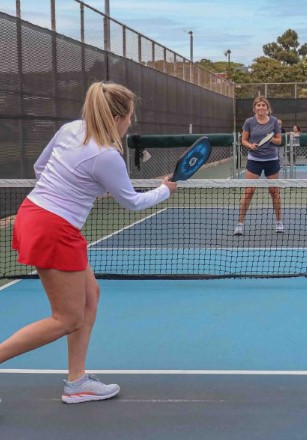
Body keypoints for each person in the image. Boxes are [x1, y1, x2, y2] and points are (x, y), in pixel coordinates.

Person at [2, 82, 177, 405]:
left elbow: (41, 168)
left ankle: (77, 382)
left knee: (89, 297)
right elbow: (132, 203)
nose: (129, 125)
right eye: (130, 118)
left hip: (36, 213)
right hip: (54, 228)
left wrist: (78, 187)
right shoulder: (106, 156)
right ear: (116, 117)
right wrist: (167, 189)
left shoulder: (72, 129)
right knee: (66, 318)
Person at [235, 96, 283, 235]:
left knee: (274, 192)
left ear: (267, 108)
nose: (261, 107)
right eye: (258, 105)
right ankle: (240, 224)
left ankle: (279, 222)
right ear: (254, 108)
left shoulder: (274, 121)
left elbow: (279, 141)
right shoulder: (249, 122)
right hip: (254, 160)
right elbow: (243, 140)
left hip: (271, 160)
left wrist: (270, 138)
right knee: (249, 192)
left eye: (263, 105)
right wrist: (251, 145)